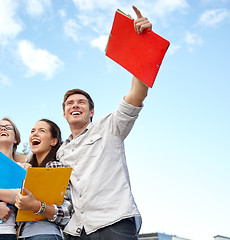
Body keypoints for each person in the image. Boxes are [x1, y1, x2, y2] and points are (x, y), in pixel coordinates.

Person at [56, 6, 152, 240]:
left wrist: (143, 44)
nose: (75, 105)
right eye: (69, 103)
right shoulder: (60, 151)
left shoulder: (110, 126)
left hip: (114, 223)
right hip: (76, 231)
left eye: (81, 102)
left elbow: (137, 94)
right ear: (64, 113)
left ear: (91, 111)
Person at [15, 119, 73, 240]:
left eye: (42, 131)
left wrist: (37, 206)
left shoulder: (55, 167)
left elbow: (67, 213)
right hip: (23, 235)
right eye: (32, 131)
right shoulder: (28, 169)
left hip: (45, 234)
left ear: (53, 141)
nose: (35, 134)